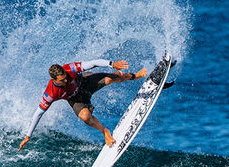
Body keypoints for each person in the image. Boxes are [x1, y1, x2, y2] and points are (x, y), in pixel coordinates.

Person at [18, 58, 147, 150]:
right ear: (54, 80)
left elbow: (93, 63)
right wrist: (28, 136)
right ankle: (105, 132)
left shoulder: (69, 69)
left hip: (84, 82)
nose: (66, 80)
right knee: (85, 117)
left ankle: (136, 75)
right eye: (62, 80)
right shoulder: (51, 93)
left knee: (110, 79)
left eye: (66, 77)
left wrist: (112, 64)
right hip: (76, 99)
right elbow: (39, 113)